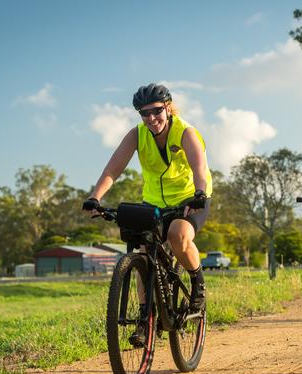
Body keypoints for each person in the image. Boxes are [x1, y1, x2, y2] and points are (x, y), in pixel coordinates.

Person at [82, 83, 212, 313]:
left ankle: (197, 283)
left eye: (156, 111)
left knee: (177, 235)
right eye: (145, 113)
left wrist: (199, 194)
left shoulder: (185, 132)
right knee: (143, 251)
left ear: (168, 108)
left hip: (189, 198)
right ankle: (146, 316)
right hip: (154, 202)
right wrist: (95, 197)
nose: (151, 118)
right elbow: (113, 170)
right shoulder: (137, 135)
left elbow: (199, 167)